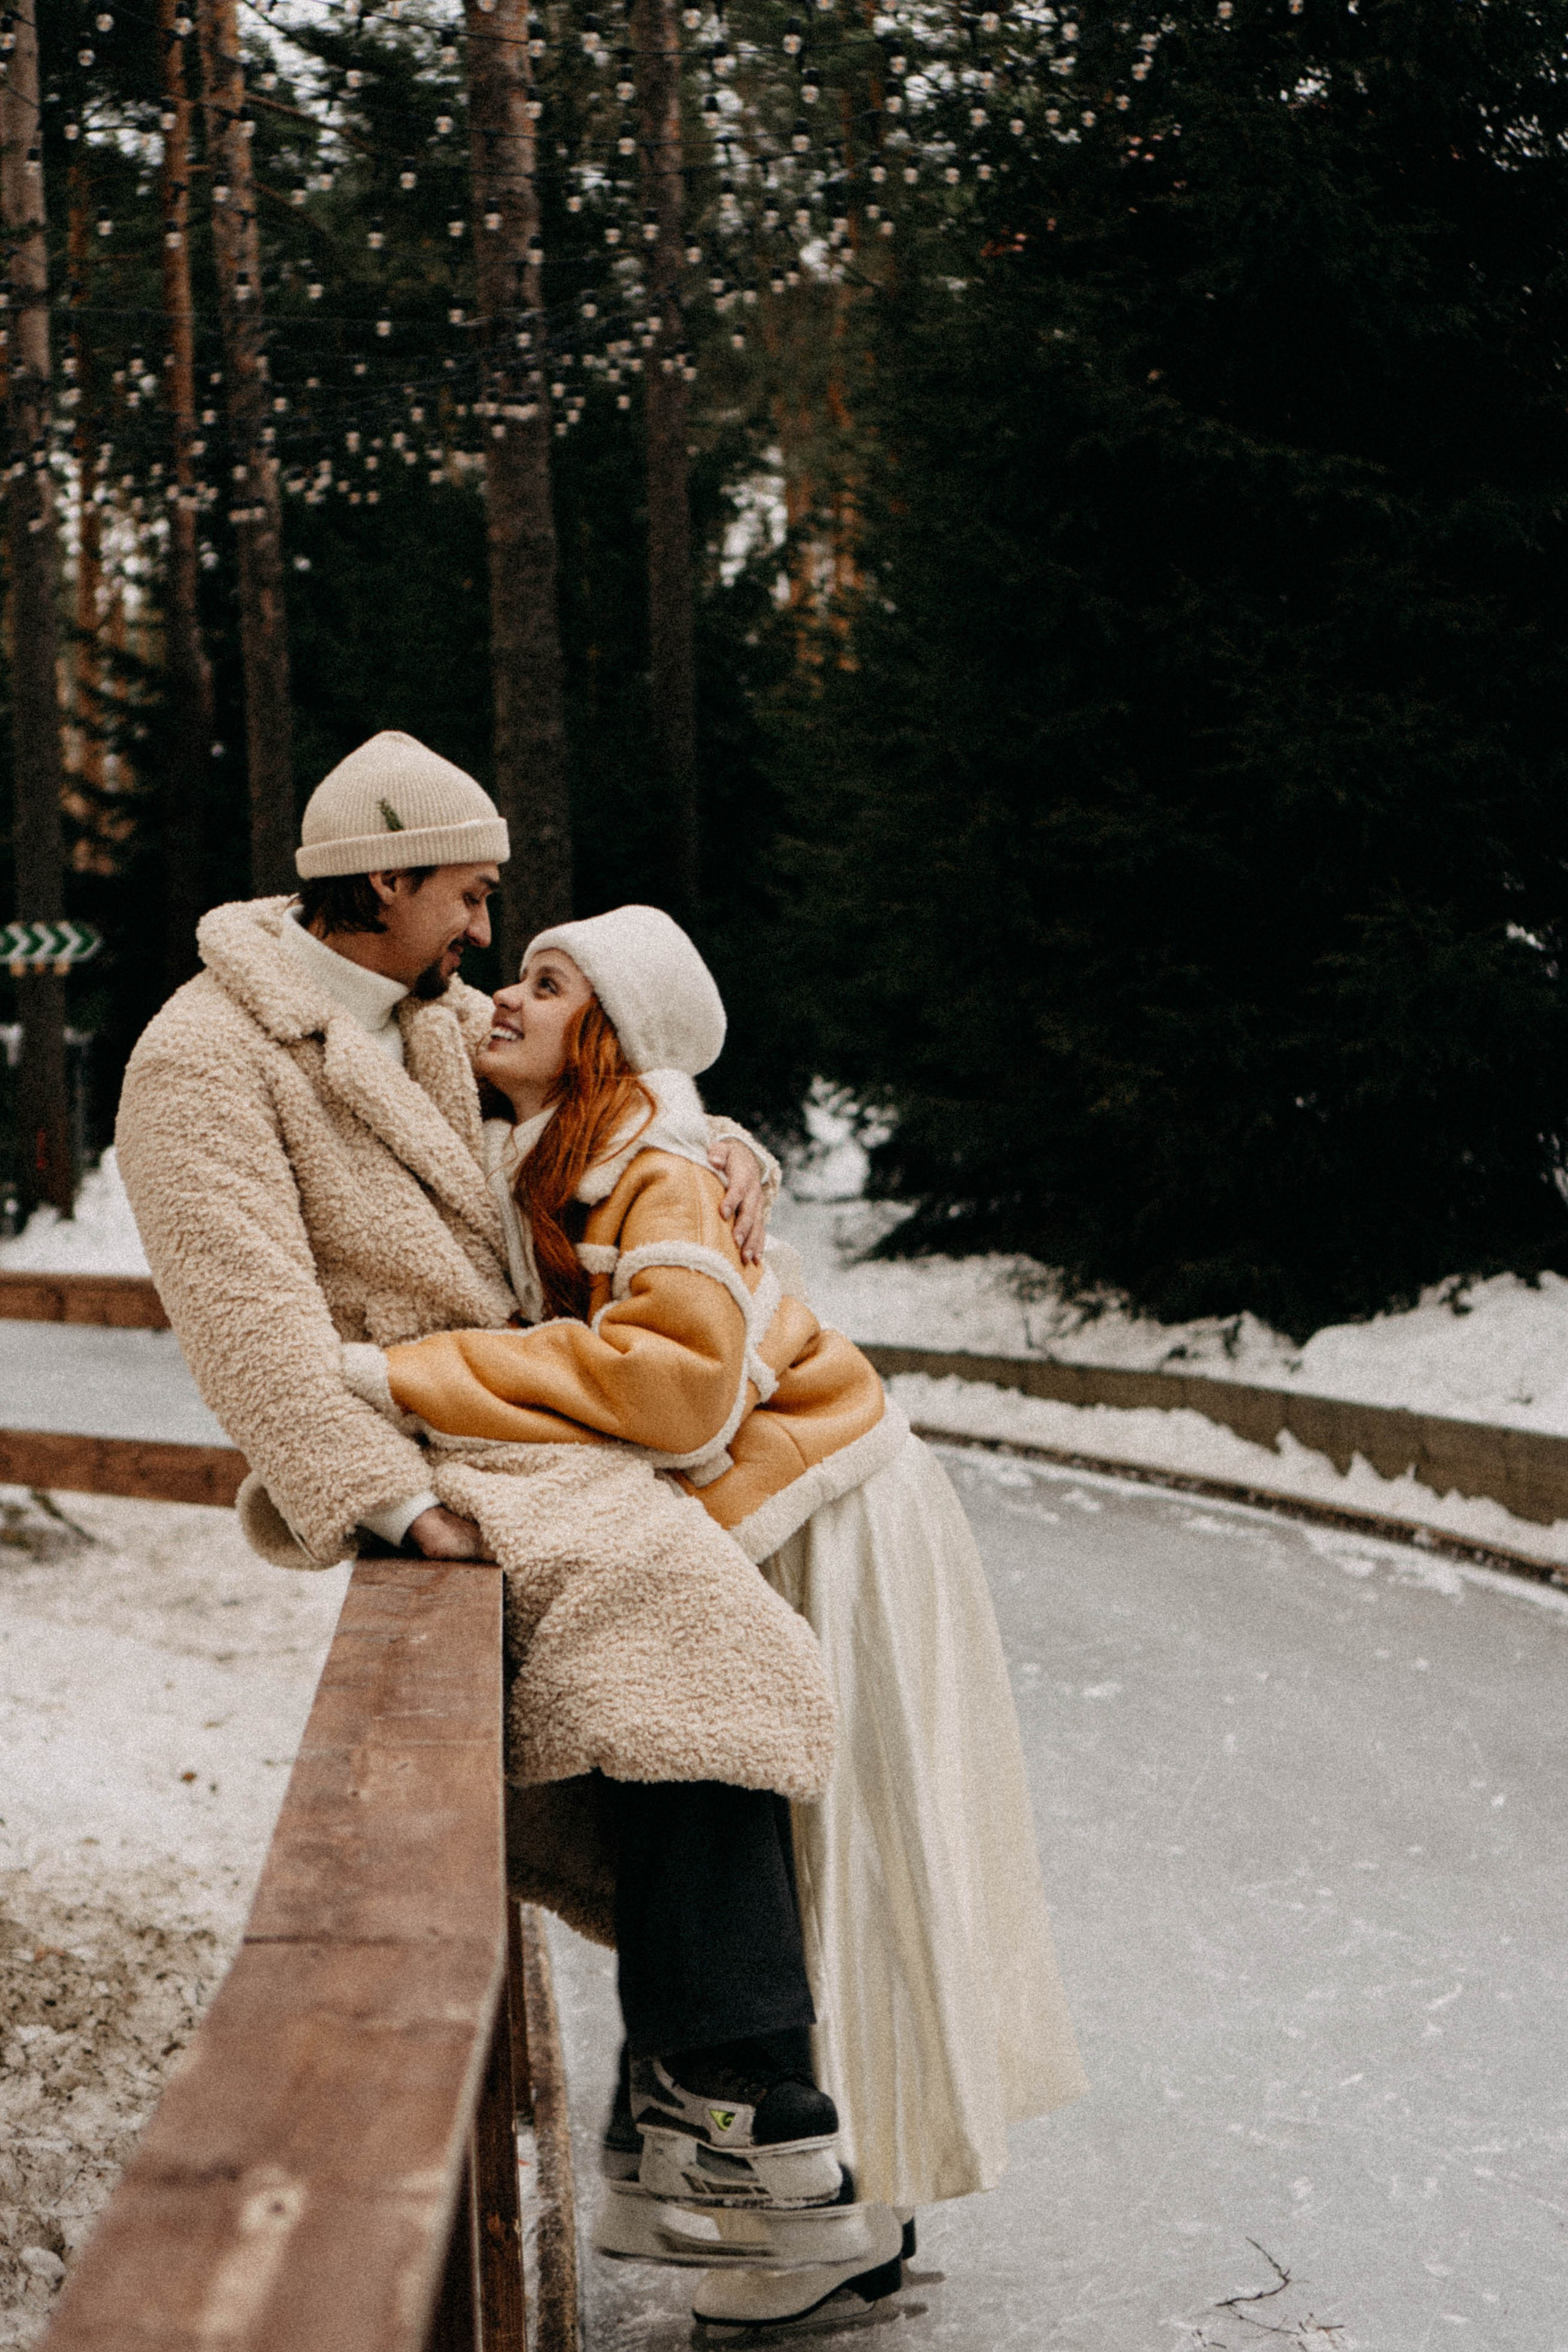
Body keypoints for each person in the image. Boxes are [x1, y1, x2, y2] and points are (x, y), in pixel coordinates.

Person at [344, 903, 1088, 2331]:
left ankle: (807, 2234)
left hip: (833, 1514)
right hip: (790, 1506)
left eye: (546, 984)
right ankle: (838, 2228)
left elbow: (677, 1392)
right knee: (810, 1855)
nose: (505, 994)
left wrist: (415, 1374)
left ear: (608, 1036)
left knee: (842, 1856)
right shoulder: (595, 1141)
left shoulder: (652, 1159)